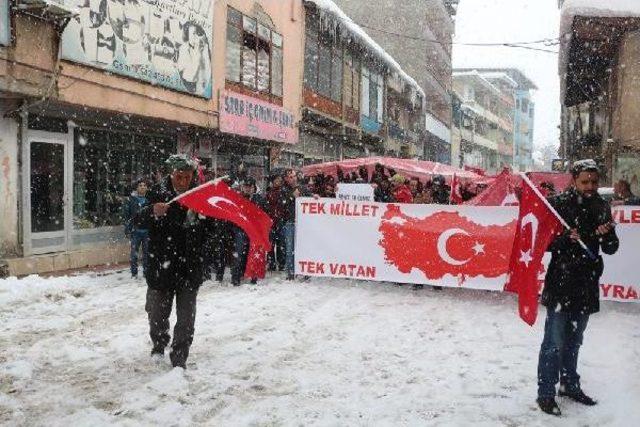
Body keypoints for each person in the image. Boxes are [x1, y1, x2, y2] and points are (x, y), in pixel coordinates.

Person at [536, 159, 619, 416]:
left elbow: (611, 248)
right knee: (554, 342)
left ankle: (570, 385)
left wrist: (605, 233)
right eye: (585, 181)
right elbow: (543, 242)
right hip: (561, 283)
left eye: (594, 182)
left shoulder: (601, 206)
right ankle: (546, 393)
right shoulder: (559, 205)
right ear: (574, 180)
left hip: (586, 284)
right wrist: (563, 238)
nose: (591, 186)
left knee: (574, 341)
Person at [135, 154, 215, 369]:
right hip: (162, 265)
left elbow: (212, 232)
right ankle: (159, 345)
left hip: (189, 266)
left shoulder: (199, 195)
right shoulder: (157, 193)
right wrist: (153, 212)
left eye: (187, 177)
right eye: (179, 176)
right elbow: (137, 220)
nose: (183, 181)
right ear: (172, 174)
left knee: (186, 318)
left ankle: (180, 357)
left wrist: (203, 219)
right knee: (158, 314)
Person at [231, 177, 267, 286]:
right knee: (239, 253)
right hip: (240, 230)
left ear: (253, 188)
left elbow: (263, 215)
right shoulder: (238, 198)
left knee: (253, 254)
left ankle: (253, 276)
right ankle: (236, 276)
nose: (247, 189)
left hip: (254, 231)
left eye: (250, 186)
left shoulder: (259, 199)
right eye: (246, 186)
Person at [279, 169, 306, 280]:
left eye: (294, 176)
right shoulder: (283, 190)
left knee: (303, 247)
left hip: (303, 223)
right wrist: (291, 197)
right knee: (290, 249)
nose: (293, 178)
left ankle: (304, 271)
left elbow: (310, 198)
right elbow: (282, 204)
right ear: (286, 179)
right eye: (290, 177)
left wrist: (315, 197)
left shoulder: (302, 188)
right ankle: (291, 272)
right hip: (290, 222)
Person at [123, 179, 150, 279]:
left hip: (147, 231)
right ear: (137, 188)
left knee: (147, 254)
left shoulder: (149, 200)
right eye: (140, 185)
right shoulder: (131, 200)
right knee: (134, 254)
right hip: (136, 231)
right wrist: (127, 229)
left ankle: (146, 273)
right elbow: (127, 216)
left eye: (144, 185)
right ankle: (134, 273)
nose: (142, 187)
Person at [266, 174, 286, 272]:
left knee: (281, 244)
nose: (279, 181)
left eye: (280, 180)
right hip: (271, 222)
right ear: (273, 181)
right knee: (271, 244)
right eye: (277, 180)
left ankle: (281, 263)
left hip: (280, 221)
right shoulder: (269, 192)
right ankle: (271, 263)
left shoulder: (283, 191)